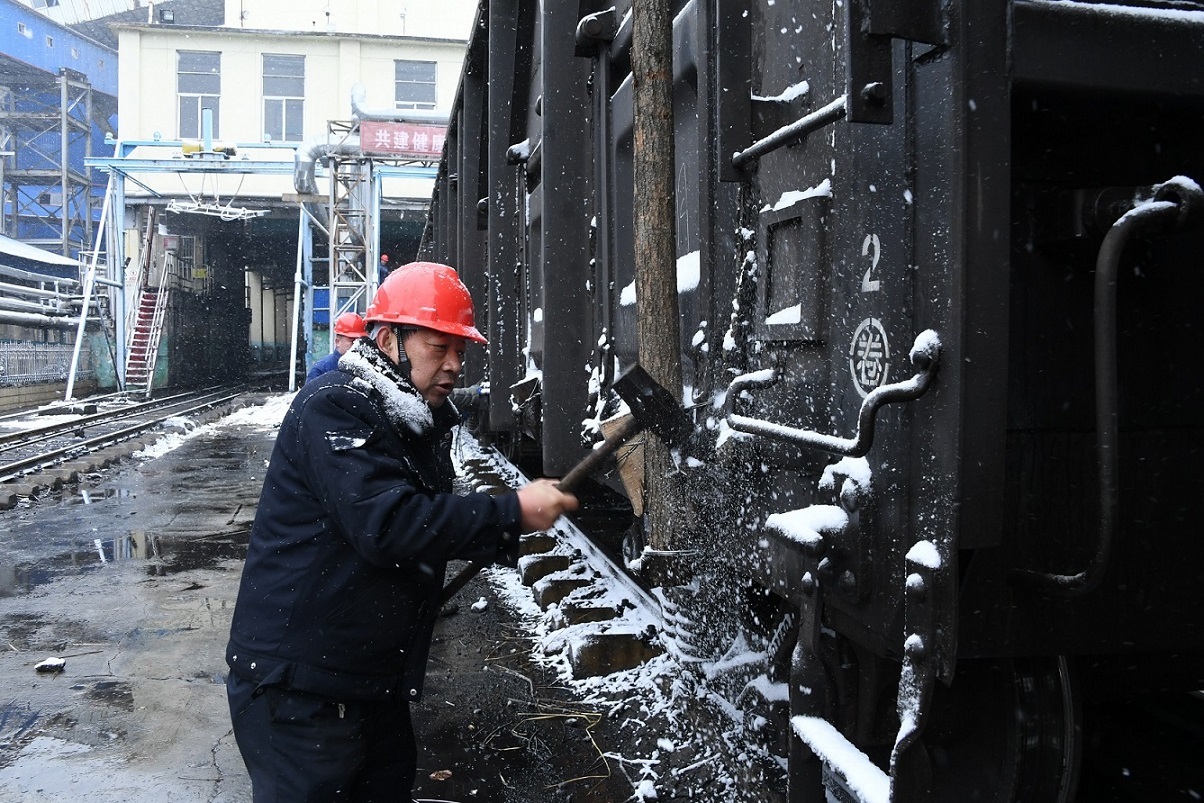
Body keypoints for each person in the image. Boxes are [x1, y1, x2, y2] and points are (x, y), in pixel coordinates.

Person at [225, 261, 578, 801]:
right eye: (440, 348)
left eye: (461, 351)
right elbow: (387, 523)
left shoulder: (410, 417)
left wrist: (495, 530)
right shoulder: (337, 406)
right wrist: (510, 513)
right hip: (299, 688)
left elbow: (417, 525)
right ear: (389, 339)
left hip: (363, 680)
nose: (455, 365)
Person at [305, 311, 367, 382]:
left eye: (359, 341)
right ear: (337, 342)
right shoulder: (321, 370)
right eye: (352, 341)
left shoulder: (366, 368)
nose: (357, 345)